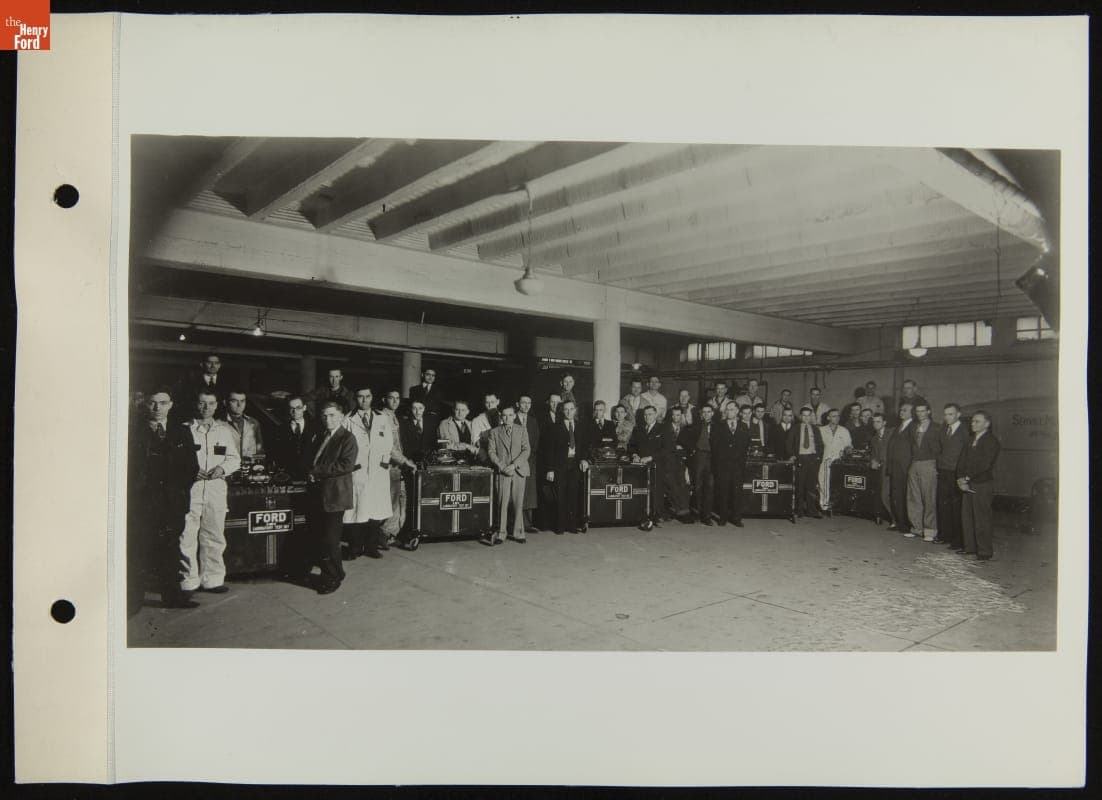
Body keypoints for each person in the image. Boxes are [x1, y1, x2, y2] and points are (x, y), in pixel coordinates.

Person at [128, 387, 201, 612]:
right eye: (152, 403)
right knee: (138, 550)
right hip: (143, 504)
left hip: (172, 504)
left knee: (171, 551)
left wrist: (177, 494)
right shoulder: (133, 432)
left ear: (171, 404)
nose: (157, 408)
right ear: (145, 405)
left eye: (162, 402)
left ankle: (172, 597)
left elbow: (192, 468)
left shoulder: (181, 432)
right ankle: (133, 602)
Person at [180, 390, 241, 595]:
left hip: (216, 489)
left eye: (211, 403)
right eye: (202, 403)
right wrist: (189, 471)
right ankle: (188, 581)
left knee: (214, 534)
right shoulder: (185, 429)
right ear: (195, 404)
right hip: (191, 489)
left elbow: (234, 458)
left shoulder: (224, 430)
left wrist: (221, 469)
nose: (206, 408)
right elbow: (174, 460)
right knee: (187, 535)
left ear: (217, 406)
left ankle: (213, 579)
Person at [301, 402, 359, 595]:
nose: (328, 419)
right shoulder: (321, 435)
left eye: (333, 415)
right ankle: (337, 572)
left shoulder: (348, 438)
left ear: (342, 416)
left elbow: (346, 465)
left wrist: (316, 471)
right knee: (321, 537)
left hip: (335, 495)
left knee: (330, 539)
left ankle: (331, 579)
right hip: (319, 494)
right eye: (325, 416)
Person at [343, 388, 394, 560]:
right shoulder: (348, 419)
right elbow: (345, 445)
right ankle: (355, 548)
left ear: (372, 398)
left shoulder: (382, 417)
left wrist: (384, 462)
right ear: (355, 398)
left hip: (378, 470)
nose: (364, 400)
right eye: (360, 397)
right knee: (358, 510)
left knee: (375, 510)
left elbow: (388, 442)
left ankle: (371, 547)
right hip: (358, 471)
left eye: (367, 396)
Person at [630, 405, 693, 523]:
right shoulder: (638, 429)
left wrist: (650, 457)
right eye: (645, 415)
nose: (647, 417)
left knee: (665, 483)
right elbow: (632, 446)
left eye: (649, 414)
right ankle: (651, 513)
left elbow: (668, 448)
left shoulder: (663, 429)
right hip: (641, 465)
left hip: (660, 463)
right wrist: (634, 455)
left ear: (655, 415)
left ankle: (668, 512)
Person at [956, 410, 1001, 561]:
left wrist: (967, 478)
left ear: (987, 424)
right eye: (972, 421)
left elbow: (984, 464)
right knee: (967, 516)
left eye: (977, 422)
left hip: (982, 483)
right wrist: (960, 478)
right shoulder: (970, 440)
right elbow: (961, 461)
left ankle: (984, 551)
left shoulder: (991, 441)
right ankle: (970, 547)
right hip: (967, 482)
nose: (973, 424)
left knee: (982, 518)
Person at [487, 405, 532, 544]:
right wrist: (502, 466)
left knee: (518, 503)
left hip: (519, 470)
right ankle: (501, 533)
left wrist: (514, 465)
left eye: (510, 415)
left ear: (514, 416)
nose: (507, 418)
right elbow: (491, 452)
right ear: (501, 417)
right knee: (502, 502)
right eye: (504, 415)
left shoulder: (522, 430)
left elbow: (526, 450)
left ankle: (518, 532)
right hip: (503, 472)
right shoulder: (494, 432)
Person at [545, 400, 590, 534]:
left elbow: (584, 446)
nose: (569, 412)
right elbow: (549, 450)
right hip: (560, 465)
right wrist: (550, 469)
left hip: (575, 465)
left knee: (573, 494)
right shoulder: (554, 427)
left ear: (575, 410)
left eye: (571, 409)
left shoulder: (581, 426)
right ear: (562, 411)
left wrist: (584, 459)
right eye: (566, 409)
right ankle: (560, 526)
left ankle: (572, 525)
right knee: (560, 495)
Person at [381, 390, 418, 543]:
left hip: (397, 465)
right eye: (391, 398)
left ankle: (392, 533)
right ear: (384, 400)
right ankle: (385, 534)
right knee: (392, 499)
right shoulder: (382, 417)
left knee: (399, 498)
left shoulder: (394, 417)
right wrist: (405, 461)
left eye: (397, 398)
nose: (395, 401)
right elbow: (388, 446)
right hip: (389, 466)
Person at [905, 402, 942, 541]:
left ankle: (930, 531)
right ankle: (916, 528)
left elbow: (940, 448)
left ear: (929, 412)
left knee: (929, 497)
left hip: (929, 463)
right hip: (914, 463)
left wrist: (936, 465)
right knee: (913, 497)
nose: (920, 414)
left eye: (923, 411)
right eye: (918, 411)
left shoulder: (937, 427)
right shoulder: (913, 427)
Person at [710, 404, 751, 527]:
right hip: (723, 465)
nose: (729, 412)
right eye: (727, 409)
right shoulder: (718, 426)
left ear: (738, 411)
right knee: (723, 492)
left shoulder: (744, 426)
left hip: (738, 465)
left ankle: (736, 518)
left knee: (737, 492)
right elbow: (714, 445)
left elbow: (745, 445)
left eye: (732, 409)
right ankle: (722, 517)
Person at [935, 403, 969, 549]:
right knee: (943, 505)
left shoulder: (964, 431)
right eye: (946, 414)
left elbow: (966, 455)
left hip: (956, 472)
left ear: (958, 414)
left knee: (956, 507)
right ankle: (945, 535)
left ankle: (957, 540)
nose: (947, 417)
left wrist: (963, 475)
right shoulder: (944, 429)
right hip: (943, 471)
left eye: (951, 414)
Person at [270, 395, 317, 480]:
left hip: (311, 476)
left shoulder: (315, 427)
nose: (295, 411)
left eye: (298, 407)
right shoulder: (280, 429)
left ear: (304, 408)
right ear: (288, 410)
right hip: (288, 476)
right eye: (291, 408)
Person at [886, 403, 915, 532]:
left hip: (906, 467)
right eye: (901, 409)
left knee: (905, 496)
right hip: (895, 467)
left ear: (911, 412)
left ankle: (907, 524)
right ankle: (899, 522)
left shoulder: (913, 427)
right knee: (896, 495)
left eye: (905, 410)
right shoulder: (899, 427)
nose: (901, 412)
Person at [685, 403, 716, 524]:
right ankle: (697, 512)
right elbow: (684, 440)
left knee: (710, 486)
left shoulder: (718, 426)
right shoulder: (695, 426)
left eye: (709, 412)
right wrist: (692, 450)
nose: (706, 414)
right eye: (704, 412)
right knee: (697, 486)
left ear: (712, 413)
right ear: (701, 414)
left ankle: (706, 516)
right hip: (699, 457)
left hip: (712, 458)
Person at [818, 408, 853, 515]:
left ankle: (837, 506)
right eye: (834, 416)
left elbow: (849, 446)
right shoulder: (821, 430)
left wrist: (847, 450)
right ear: (828, 417)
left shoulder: (844, 430)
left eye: (838, 416)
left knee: (838, 484)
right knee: (823, 482)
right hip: (825, 460)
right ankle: (824, 506)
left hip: (839, 462)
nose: (836, 418)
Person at [515, 395, 541, 534]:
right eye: (523, 403)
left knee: (529, 492)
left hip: (530, 460)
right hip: (515, 460)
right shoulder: (511, 419)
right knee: (517, 492)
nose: (526, 405)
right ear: (517, 404)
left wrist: (528, 455)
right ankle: (516, 523)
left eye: (528, 403)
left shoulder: (533, 421)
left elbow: (536, 440)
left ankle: (528, 524)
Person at [795, 406, 825, 518]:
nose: (806, 417)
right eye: (804, 415)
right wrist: (794, 456)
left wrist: (818, 458)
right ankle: (799, 510)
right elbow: (789, 443)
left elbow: (821, 445)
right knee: (799, 485)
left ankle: (811, 510)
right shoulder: (795, 428)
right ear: (800, 416)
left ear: (811, 416)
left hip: (812, 459)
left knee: (811, 486)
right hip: (801, 459)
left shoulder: (816, 429)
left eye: (809, 415)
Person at [221, 389, 265, 459]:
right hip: (229, 468)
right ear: (225, 402)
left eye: (242, 401)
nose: (239, 405)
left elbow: (259, 451)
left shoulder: (254, 423)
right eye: (234, 401)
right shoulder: (218, 424)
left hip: (250, 466)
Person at [868, 412, 894, 524]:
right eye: (874, 422)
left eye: (878, 421)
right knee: (884, 495)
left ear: (884, 422)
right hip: (883, 470)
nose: (875, 424)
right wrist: (873, 460)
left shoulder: (892, 433)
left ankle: (897, 520)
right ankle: (894, 519)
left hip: (893, 468)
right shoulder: (874, 438)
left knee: (890, 495)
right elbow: (874, 454)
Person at [401, 400, 436, 464]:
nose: (417, 412)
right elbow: (404, 446)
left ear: (424, 408)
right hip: (411, 462)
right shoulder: (404, 424)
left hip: (429, 462)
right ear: (411, 409)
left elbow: (433, 443)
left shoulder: (431, 422)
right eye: (414, 408)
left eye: (420, 408)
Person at [469, 392, 502, 460]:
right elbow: (475, 443)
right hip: (485, 458)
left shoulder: (504, 417)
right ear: (484, 403)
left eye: (492, 402)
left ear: (498, 402)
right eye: (487, 402)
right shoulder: (477, 420)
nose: (490, 405)